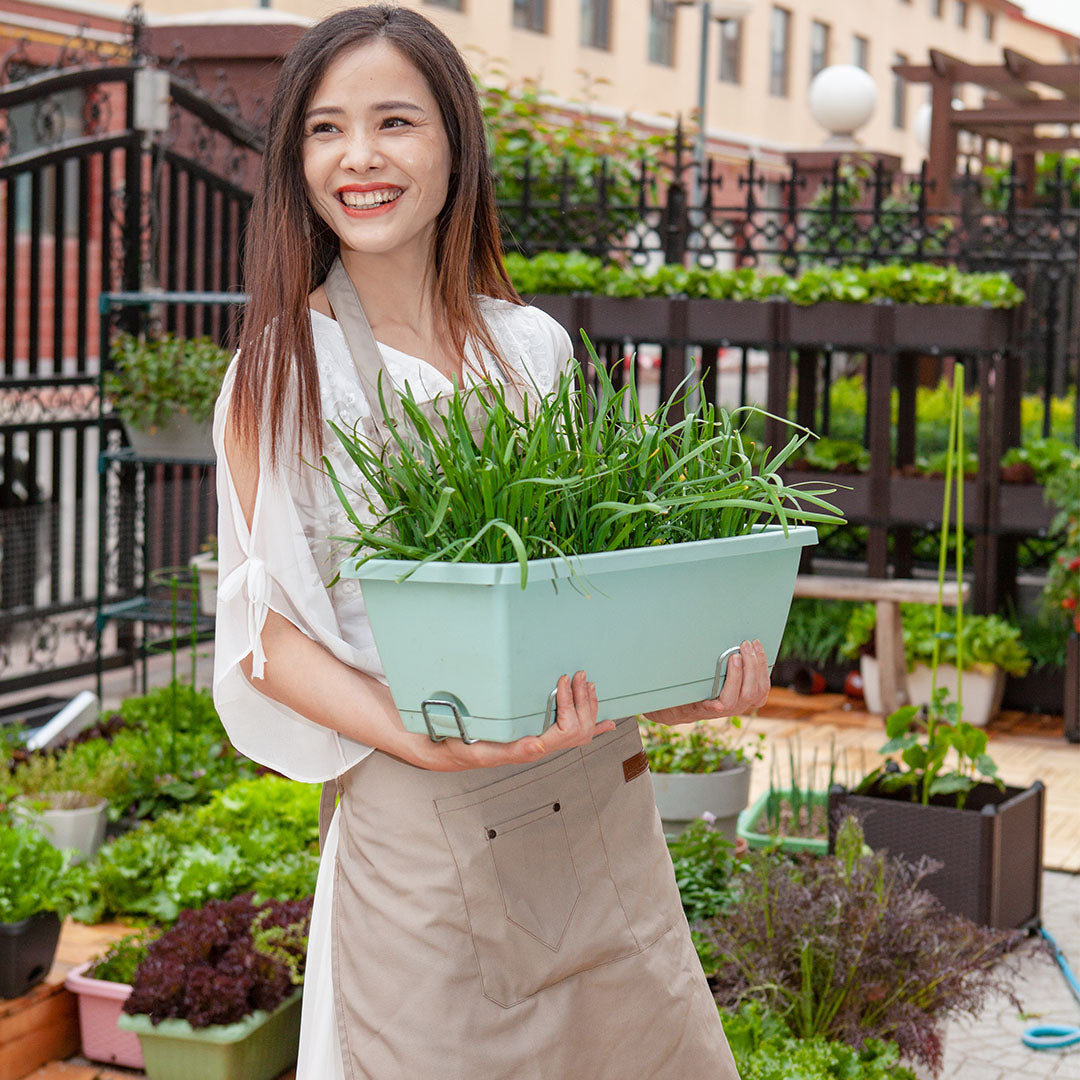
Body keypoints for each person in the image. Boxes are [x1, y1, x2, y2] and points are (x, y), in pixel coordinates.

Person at [213, 6, 769, 1078]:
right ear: (294, 160)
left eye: (395, 122)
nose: (359, 157)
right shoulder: (284, 368)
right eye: (326, 129)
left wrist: (686, 684)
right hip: (421, 821)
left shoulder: (532, 348)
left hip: (594, 808)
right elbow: (262, 631)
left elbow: (590, 588)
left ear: (456, 144)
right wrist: (416, 737)